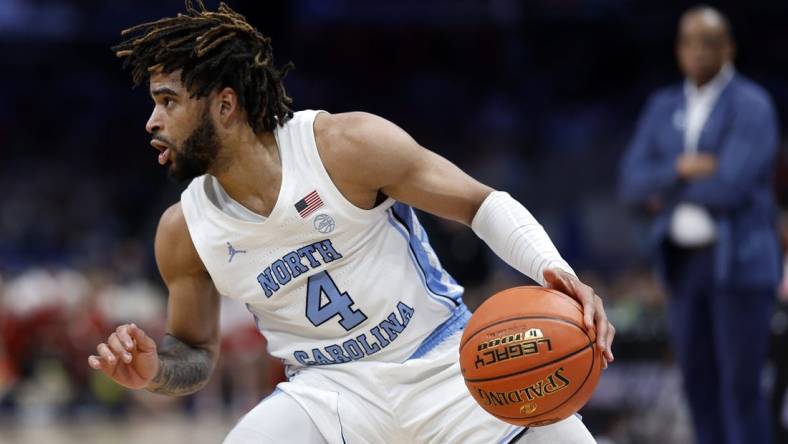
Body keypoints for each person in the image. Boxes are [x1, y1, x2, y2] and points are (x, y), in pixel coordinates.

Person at [88, 2, 614, 442]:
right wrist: (156, 371)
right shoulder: (183, 231)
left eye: (167, 102)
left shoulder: (344, 147)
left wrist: (555, 270)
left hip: (446, 365)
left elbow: (479, 204)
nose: (152, 122)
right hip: (330, 395)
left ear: (225, 106)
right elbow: (196, 351)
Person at [619, 6, 780, 444]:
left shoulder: (752, 105)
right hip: (682, 265)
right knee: (697, 385)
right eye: (690, 42)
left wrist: (665, 184)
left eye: (709, 42)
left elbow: (731, 185)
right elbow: (631, 181)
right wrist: (683, 168)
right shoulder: (662, 106)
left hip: (740, 265)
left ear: (728, 48)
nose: (699, 51)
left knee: (741, 388)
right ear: (678, 49)